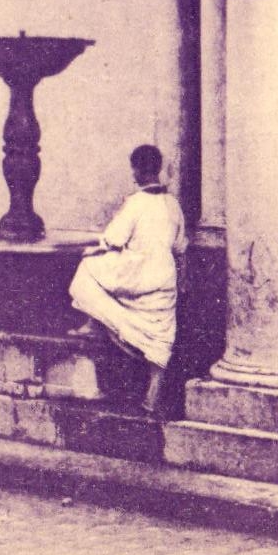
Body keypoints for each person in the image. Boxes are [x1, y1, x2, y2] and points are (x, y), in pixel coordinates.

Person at [68, 144, 187, 416]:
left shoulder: (135, 203)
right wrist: (182, 280)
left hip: (137, 276)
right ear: (157, 170)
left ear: (136, 170)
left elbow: (113, 239)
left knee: (88, 267)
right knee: (161, 337)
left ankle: (93, 323)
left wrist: (94, 249)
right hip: (164, 277)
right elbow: (180, 248)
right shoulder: (173, 205)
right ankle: (152, 398)